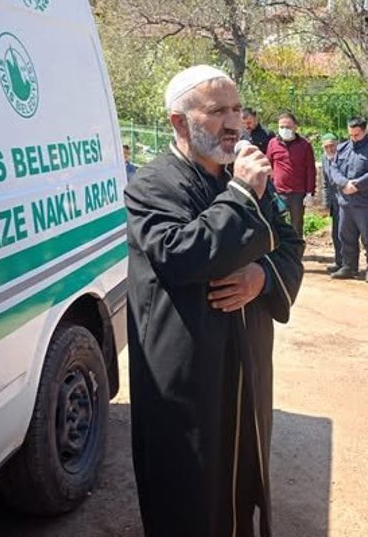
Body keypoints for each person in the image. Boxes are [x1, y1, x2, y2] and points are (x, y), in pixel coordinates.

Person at [124, 65, 304, 536]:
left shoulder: (244, 177)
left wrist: (261, 278)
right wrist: (243, 193)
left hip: (245, 367)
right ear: (179, 122)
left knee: (241, 480)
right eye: (217, 111)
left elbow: (288, 246)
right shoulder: (152, 184)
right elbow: (181, 255)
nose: (233, 123)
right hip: (186, 378)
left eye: (237, 109)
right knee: (188, 493)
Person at [329, 117, 368, 283]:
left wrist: (358, 185)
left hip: (365, 202)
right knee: (345, 235)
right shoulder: (343, 148)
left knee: (367, 237)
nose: (353, 138)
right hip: (345, 201)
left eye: (357, 135)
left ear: (364, 131)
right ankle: (349, 266)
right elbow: (333, 169)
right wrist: (344, 183)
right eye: (351, 134)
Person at [266, 112, 316, 236]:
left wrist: (310, 193)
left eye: (288, 127)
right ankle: (281, 253)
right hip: (278, 192)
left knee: (297, 225)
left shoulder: (305, 145)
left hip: (297, 194)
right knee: (277, 224)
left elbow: (310, 170)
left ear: (295, 127)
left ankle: (296, 253)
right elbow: (268, 166)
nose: (284, 129)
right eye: (281, 127)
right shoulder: (273, 143)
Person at [321, 133, 343, 273]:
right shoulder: (324, 159)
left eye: (332, 146)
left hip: (347, 201)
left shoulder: (343, 157)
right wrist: (325, 202)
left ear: (337, 145)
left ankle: (350, 264)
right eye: (326, 147)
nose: (330, 149)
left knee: (346, 234)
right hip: (335, 203)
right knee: (336, 233)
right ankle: (339, 262)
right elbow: (325, 182)